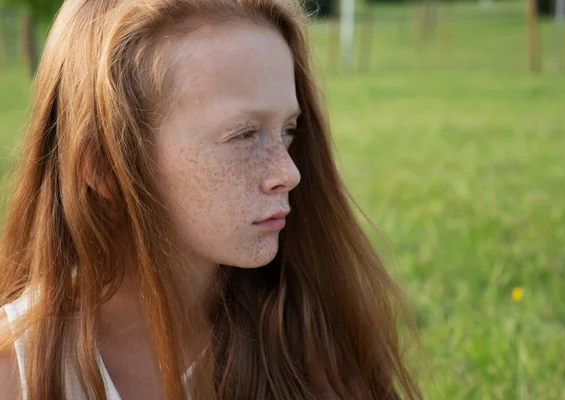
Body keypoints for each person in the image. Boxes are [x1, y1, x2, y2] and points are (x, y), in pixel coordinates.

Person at [0, 0, 422, 399]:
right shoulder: (18, 370)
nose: (288, 173)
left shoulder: (309, 342)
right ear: (103, 167)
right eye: (243, 135)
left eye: (289, 130)